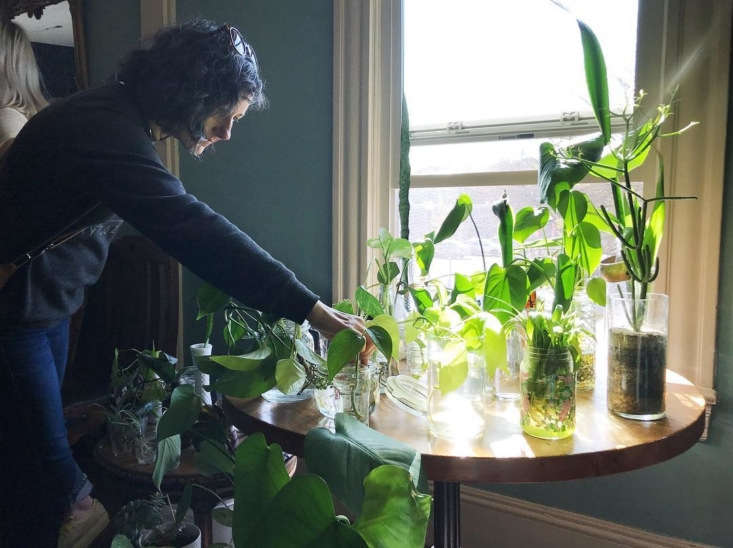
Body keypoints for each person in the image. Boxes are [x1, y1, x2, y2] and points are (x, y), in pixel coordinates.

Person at [0, 19, 372, 548]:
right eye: (225, 116)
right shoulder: (106, 130)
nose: (225, 132)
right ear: (190, 93)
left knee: (33, 465)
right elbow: (199, 232)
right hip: (13, 315)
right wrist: (312, 310)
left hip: (45, 310)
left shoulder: (117, 118)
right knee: (57, 489)